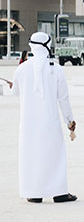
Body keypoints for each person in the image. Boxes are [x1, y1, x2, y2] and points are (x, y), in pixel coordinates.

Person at [11, 32, 77, 203]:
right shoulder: (55, 69)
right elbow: (63, 98)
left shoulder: (21, 68)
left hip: (28, 123)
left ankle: (34, 193)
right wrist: (69, 121)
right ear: (47, 46)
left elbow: (14, 93)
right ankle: (60, 192)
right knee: (55, 155)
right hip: (50, 121)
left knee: (31, 155)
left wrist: (10, 86)